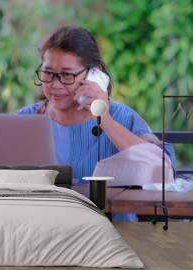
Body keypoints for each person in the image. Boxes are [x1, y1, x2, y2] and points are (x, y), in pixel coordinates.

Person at [17, 25, 176, 221]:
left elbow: (164, 170)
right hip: (45, 230)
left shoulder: (122, 117)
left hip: (113, 236)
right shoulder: (25, 120)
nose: (55, 85)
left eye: (67, 75)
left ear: (94, 74)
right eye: (48, 73)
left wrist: (105, 120)